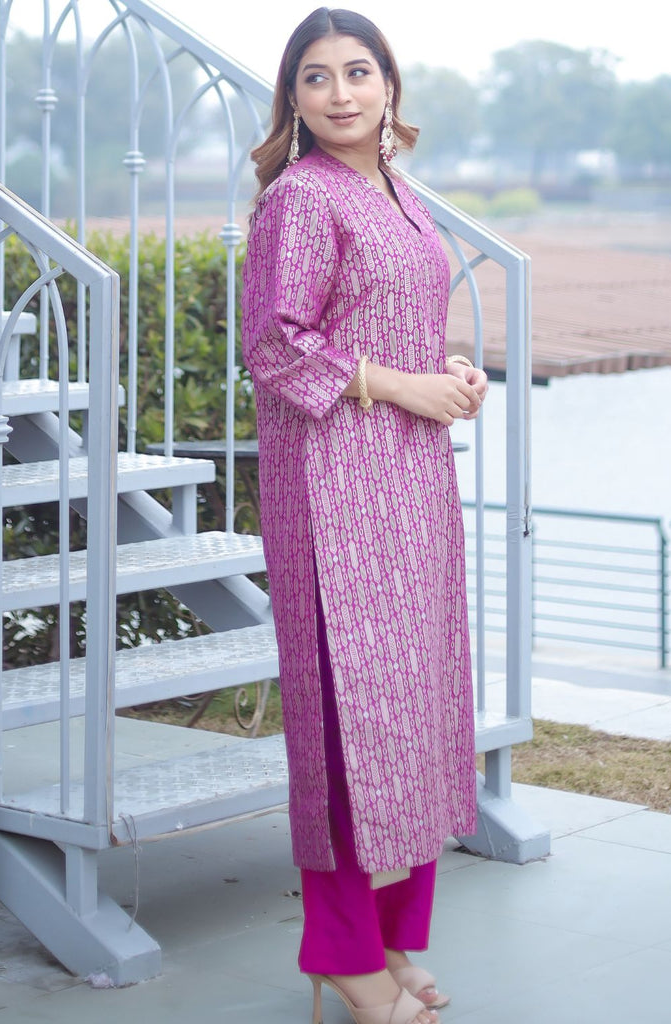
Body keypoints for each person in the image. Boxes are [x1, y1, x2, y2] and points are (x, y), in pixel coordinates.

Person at [241, 8, 488, 1024]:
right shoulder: (300, 199)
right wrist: (402, 387)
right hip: (336, 490)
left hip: (410, 483)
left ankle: (383, 944)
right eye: (315, 78)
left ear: (389, 85)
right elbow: (276, 344)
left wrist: (451, 378)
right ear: (292, 100)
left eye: (358, 72)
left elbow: (388, 323)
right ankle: (342, 954)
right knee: (351, 719)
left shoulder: (395, 191)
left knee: (413, 715)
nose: (340, 93)